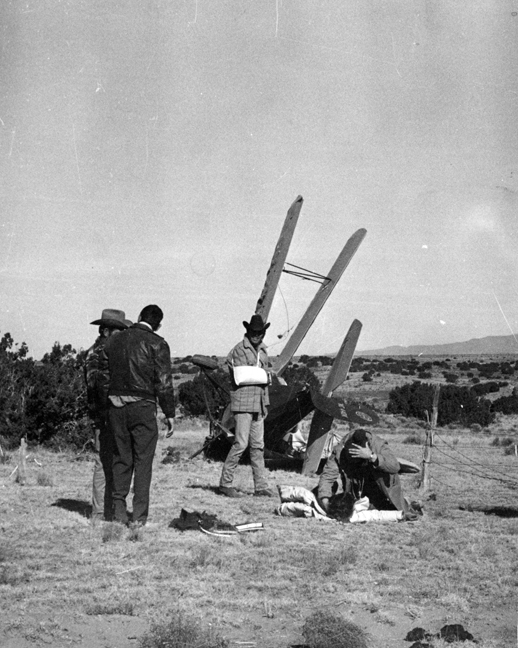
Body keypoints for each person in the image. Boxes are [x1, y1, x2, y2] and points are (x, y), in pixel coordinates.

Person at [103, 304, 176, 526]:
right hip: (143, 408)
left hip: (116, 406)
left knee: (121, 459)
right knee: (143, 462)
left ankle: (117, 513)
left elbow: (105, 377)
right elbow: (163, 383)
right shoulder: (158, 344)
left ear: (138, 317)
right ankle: (138, 517)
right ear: (158, 325)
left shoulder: (114, 341)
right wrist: (169, 413)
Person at [218, 314, 275, 498]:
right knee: (241, 444)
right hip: (243, 403)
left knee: (258, 446)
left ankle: (261, 486)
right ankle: (225, 484)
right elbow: (243, 375)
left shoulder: (263, 352)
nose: (257, 335)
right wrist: (263, 374)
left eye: (260, 332)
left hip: (258, 404)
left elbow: (263, 380)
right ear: (248, 331)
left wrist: (265, 403)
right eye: (254, 332)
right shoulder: (239, 350)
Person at [84, 308, 129, 521]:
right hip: (103, 416)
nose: (120, 335)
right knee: (103, 462)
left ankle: (105, 509)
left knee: (109, 461)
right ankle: (100, 511)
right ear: (105, 331)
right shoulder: (98, 354)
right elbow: (97, 389)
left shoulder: (103, 351)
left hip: (106, 415)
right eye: (117, 331)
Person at [317, 428, 412, 517]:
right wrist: (325, 502)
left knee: (391, 510)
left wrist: (371, 456)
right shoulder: (339, 450)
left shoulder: (377, 445)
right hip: (356, 488)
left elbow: (395, 466)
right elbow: (327, 476)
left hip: (380, 487)